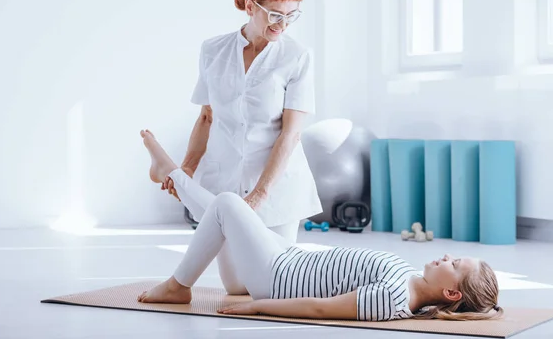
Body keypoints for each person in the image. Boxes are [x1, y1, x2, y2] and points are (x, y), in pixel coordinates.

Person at [138, 129, 503, 322]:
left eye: (455, 265)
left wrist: (257, 307)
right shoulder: (411, 281)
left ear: (452, 294)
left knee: (229, 205)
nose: (446, 257)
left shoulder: (395, 298)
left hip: (275, 279)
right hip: (287, 258)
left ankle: (177, 285)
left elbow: (320, 309)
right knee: (226, 211)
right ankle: (171, 173)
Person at [157, 0, 323, 295]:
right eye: (276, 14)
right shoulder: (213, 50)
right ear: (250, 6)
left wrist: (260, 193)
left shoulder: (297, 56)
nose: (283, 24)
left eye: (291, 15)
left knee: (273, 285)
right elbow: (206, 117)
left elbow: (290, 134)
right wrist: (187, 170)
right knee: (235, 287)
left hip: (276, 187)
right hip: (226, 182)